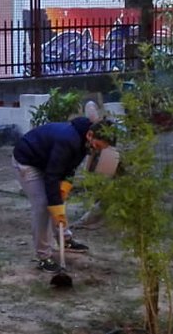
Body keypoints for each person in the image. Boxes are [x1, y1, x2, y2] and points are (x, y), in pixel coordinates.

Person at [12, 115, 118, 273]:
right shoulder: (67, 140)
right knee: (43, 205)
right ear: (90, 135)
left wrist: (66, 186)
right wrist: (55, 206)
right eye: (97, 145)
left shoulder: (86, 141)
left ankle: (65, 240)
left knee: (59, 199)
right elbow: (52, 177)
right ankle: (43, 256)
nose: (97, 150)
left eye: (101, 148)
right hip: (27, 160)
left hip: (47, 162)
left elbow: (70, 165)